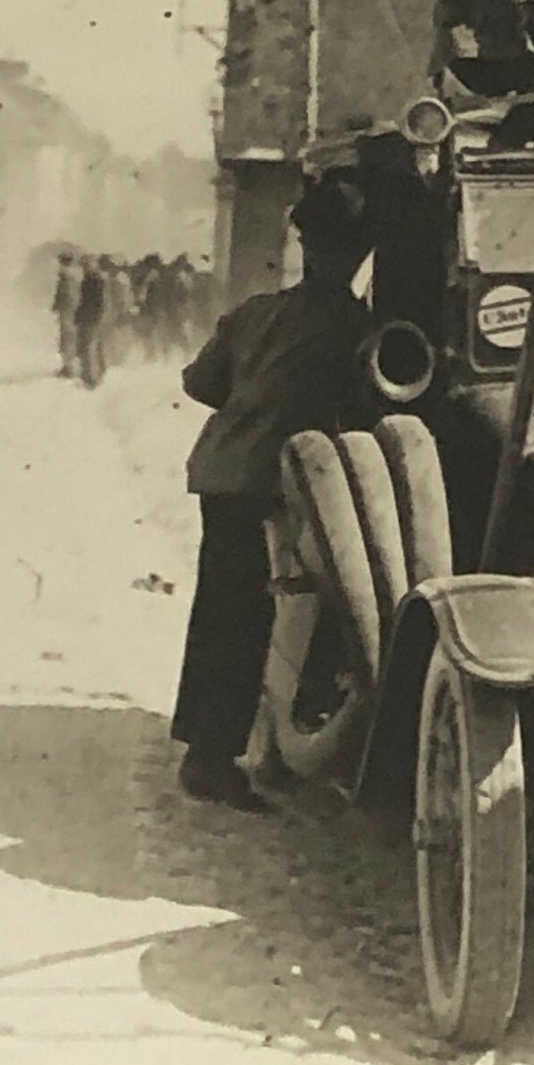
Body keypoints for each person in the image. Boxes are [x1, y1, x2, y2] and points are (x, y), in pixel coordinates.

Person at [170, 179, 377, 811]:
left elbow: (199, 382)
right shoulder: (354, 325)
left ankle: (229, 749)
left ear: (304, 247)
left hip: (222, 473)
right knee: (267, 614)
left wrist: (252, 399)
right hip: (274, 480)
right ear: (351, 257)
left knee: (226, 609)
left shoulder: (255, 312)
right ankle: (214, 760)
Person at [75, 255, 107, 388]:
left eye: (85, 265)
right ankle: (98, 371)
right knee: (93, 346)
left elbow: (95, 302)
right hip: (90, 317)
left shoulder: (92, 280)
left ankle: (90, 378)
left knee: (88, 347)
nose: (83, 268)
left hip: (90, 318)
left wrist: (83, 315)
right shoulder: (92, 279)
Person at [51, 251, 81, 378]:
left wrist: (57, 305)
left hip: (67, 311)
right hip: (71, 310)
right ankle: (68, 367)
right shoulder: (74, 275)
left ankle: (68, 368)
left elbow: (65, 295)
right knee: (68, 338)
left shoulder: (65, 275)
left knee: (67, 338)